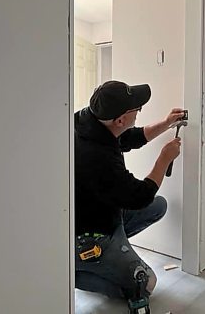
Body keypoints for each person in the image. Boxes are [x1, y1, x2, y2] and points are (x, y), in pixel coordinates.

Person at [74, 80, 184, 312]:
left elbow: (129, 137)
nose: (139, 111)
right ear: (120, 119)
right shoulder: (98, 158)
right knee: (146, 284)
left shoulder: (87, 121)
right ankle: (76, 273)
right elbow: (139, 196)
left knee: (158, 205)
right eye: (137, 109)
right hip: (92, 235)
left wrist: (165, 124)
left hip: (102, 211)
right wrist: (164, 158)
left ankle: (107, 258)